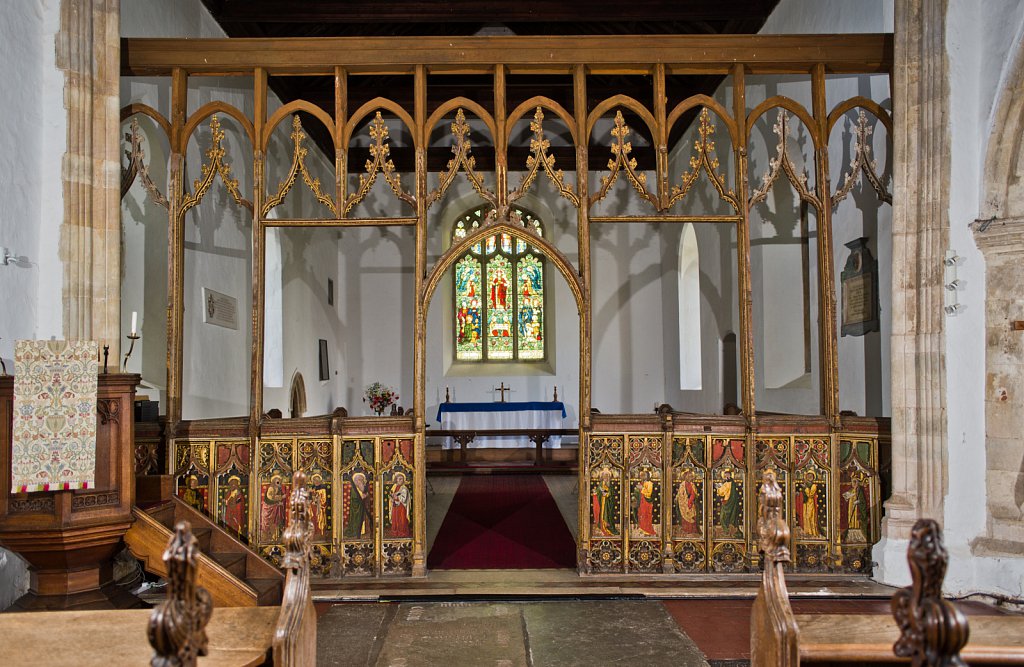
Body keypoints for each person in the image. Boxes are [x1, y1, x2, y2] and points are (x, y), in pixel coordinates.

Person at [345, 471, 371, 539]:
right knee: (356, 519)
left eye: (361, 480)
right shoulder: (354, 489)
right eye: (358, 480)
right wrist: (362, 497)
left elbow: (366, 497)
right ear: (355, 481)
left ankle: (363, 531)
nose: (360, 481)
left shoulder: (363, 488)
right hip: (356, 508)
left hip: (363, 508)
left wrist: (366, 496)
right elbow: (355, 499)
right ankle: (355, 531)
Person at [260, 475, 286, 542]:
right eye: (277, 481)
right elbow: (270, 498)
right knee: (270, 522)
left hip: (277, 508)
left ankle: (277, 537)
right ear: (273, 481)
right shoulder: (271, 488)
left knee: (277, 522)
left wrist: (281, 499)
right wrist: (280, 498)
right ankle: (270, 537)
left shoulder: (279, 489)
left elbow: (282, 497)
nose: (278, 483)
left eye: (279, 482)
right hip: (269, 508)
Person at [717, 468, 741, 537]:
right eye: (725, 475)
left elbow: (722, 492)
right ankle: (726, 531)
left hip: (728, 502)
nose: (726, 477)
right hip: (728, 502)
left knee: (723, 518)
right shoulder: (730, 483)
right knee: (723, 518)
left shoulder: (729, 483)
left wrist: (718, 488)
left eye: (727, 475)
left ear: (730, 475)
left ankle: (727, 531)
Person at [591, 469, 617, 536]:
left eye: (607, 476)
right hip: (602, 502)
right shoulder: (601, 484)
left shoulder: (610, 485)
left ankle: (607, 527)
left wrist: (607, 494)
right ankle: (602, 527)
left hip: (608, 503)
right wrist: (595, 493)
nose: (606, 478)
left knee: (607, 515)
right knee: (602, 515)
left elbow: (611, 493)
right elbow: (598, 491)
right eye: (604, 476)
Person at [675, 470, 699, 536]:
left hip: (690, 502)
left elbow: (694, 493)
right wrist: (680, 498)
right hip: (683, 502)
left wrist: (690, 500)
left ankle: (692, 530)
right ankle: (685, 529)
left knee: (692, 515)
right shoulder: (682, 484)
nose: (689, 478)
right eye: (688, 476)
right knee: (684, 516)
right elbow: (680, 493)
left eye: (690, 476)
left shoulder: (692, 484)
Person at [389, 472, 411, 538]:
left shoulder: (404, 488)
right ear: (396, 480)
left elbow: (404, 499)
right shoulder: (394, 487)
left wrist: (397, 498)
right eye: (399, 479)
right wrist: (392, 498)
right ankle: (395, 532)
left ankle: (402, 533)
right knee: (395, 519)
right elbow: (391, 495)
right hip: (395, 506)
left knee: (402, 520)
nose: (400, 480)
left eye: (401, 479)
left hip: (402, 507)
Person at [635, 471, 657, 536]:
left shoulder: (649, 483)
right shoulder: (642, 483)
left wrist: (641, 489)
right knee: (641, 514)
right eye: (641, 475)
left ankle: (648, 530)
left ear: (647, 476)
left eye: (644, 475)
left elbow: (648, 494)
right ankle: (642, 528)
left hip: (647, 502)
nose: (642, 477)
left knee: (646, 515)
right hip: (642, 502)